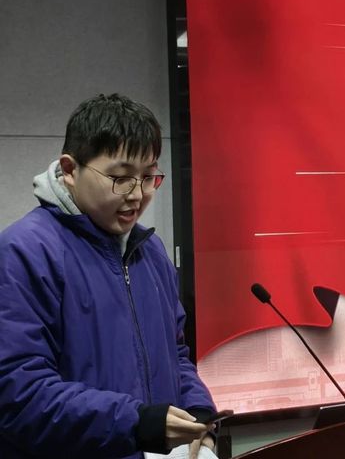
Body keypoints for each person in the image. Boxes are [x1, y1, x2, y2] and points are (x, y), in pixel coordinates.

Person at [0, 94, 218, 459]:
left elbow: (176, 355)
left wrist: (198, 416)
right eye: (121, 178)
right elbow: (18, 392)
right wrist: (136, 424)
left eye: (148, 177)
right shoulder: (25, 251)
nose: (138, 195)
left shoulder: (150, 252)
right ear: (70, 169)